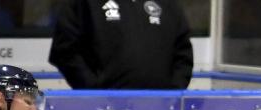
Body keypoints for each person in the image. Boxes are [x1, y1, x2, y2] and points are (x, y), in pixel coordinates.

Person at [48, 0, 193, 89]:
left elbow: (182, 53)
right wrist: (94, 92)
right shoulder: (84, 3)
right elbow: (64, 50)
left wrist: (172, 97)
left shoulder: (168, 4)